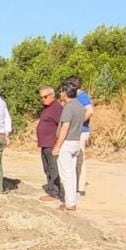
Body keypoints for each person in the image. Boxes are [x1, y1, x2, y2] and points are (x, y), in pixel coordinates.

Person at [52, 82, 84, 211]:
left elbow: (65, 127)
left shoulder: (69, 107)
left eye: (61, 91)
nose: (60, 94)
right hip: (76, 142)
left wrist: (57, 146)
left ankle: (69, 203)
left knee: (66, 174)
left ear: (65, 93)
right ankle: (71, 200)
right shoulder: (80, 106)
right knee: (72, 174)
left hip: (67, 143)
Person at [65, 75, 94, 196]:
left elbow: (90, 111)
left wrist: (78, 122)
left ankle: (80, 188)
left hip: (81, 131)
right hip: (78, 131)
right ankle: (74, 185)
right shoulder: (77, 96)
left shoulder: (82, 96)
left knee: (79, 159)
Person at [37, 86, 64, 202]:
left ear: (52, 95)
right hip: (45, 143)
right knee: (47, 168)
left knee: (53, 168)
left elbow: (63, 125)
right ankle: (51, 189)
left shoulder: (56, 108)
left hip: (52, 143)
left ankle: (55, 192)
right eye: (41, 97)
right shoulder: (47, 108)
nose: (43, 99)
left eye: (45, 96)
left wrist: (58, 143)